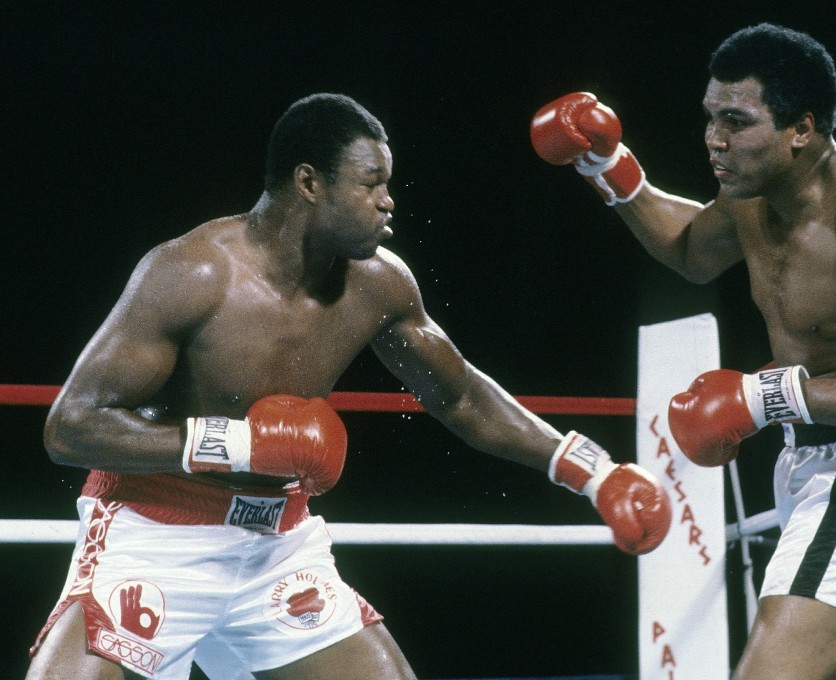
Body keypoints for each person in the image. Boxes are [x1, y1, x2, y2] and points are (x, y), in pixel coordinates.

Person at [26, 93, 672, 680]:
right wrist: (240, 445)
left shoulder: (378, 284)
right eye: (371, 183)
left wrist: (593, 471)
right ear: (308, 183)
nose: (388, 201)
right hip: (155, 530)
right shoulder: (192, 272)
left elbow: (461, 396)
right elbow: (72, 427)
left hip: (276, 545)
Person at [531, 23, 836, 680]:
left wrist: (760, 397)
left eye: (736, 121)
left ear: (801, 128)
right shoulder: (749, 197)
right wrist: (605, 168)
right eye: (711, 117)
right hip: (825, 462)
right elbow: (688, 250)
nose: (714, 138)